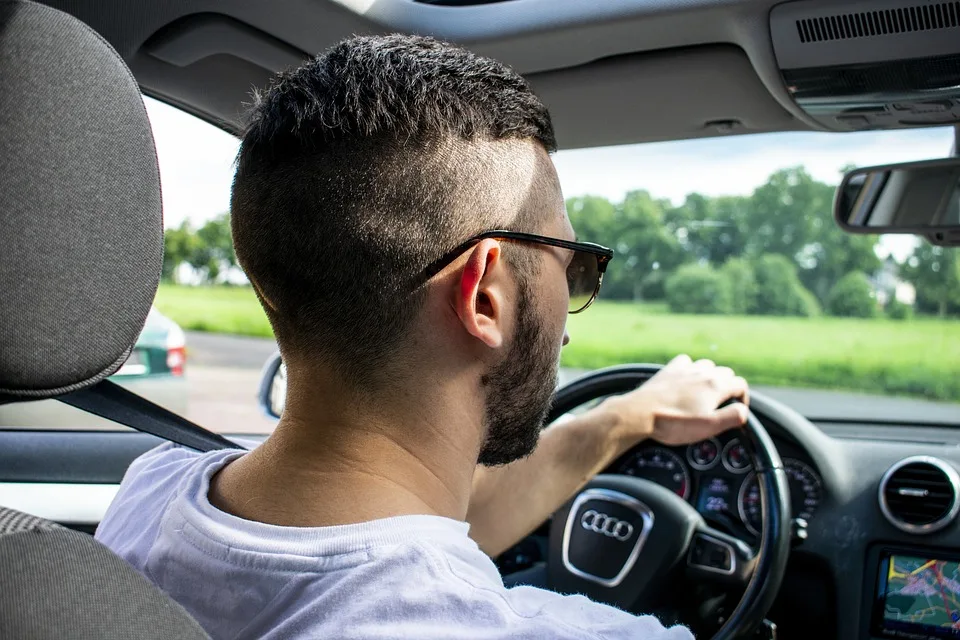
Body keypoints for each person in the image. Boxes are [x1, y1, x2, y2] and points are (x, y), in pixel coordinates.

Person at [96, 34, 750, 639]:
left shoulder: (149, 498)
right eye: (573, 262)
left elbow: (392, 550)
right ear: (485, 295)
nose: (576, 288)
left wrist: (621, 421)